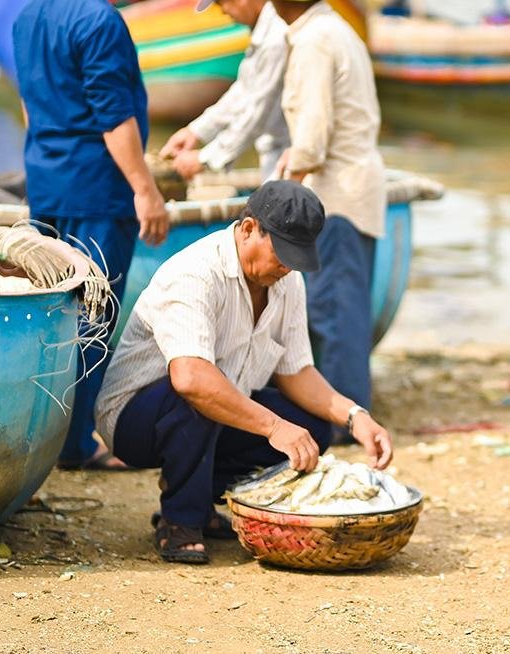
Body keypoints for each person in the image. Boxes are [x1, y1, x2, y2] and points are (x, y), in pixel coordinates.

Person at [94, 181, 394, 564]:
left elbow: (296, 371)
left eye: (296, 258)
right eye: (281, 253)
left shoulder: (287, 281)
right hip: (134, 418)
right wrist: (273, 427)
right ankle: (180, 520)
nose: (286, 267)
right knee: (197, 396)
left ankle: (204, 497)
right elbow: (189, 377)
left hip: (214, 410)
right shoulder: (195, 273)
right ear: (249, 228)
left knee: (313, 429)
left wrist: (355, 417)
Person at [12, 0, 168, 470]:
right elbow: (114, 117)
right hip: (97, 190)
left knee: (53, 312)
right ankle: (76, 446)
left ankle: (42, 438)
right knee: (94, 317)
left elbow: (29, 106)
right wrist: (145, 189)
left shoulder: (30, 12)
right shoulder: (100, 18)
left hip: (46, 183)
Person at [245, 0, 386, 418]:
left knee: (332, 314)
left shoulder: (312, 42)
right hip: (355, 186)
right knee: (344, 310)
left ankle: (345, 419)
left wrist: (281, 199)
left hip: (338, 195)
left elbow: (311, 133)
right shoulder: (333, 29)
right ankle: (345, 411)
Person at [159, 0, 290, 181]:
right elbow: (243, 91)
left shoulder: (275, 37)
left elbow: (256, 112)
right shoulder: (263, 31)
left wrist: (205, 158)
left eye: (221, 3)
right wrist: (195, 131)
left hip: (290, 154)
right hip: (277, 155)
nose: (224, 12)